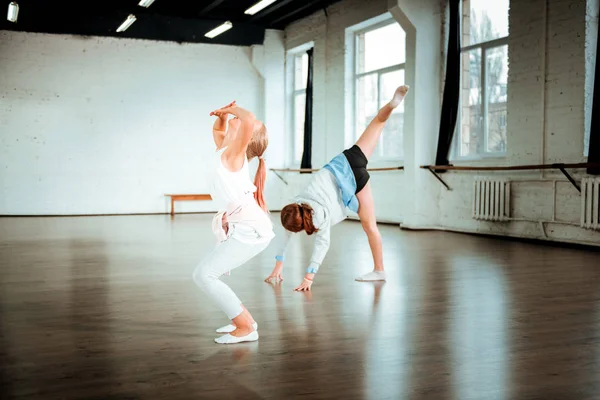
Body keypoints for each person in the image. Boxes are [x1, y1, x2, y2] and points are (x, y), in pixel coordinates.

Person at [265, 85, 409, 291]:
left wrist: (308, 278)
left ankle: (380, 270)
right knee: (378, 122)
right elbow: (287, 232)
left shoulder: (318, 219)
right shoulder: (298, 202)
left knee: (370, 227)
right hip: (347, 161)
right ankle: (392, 105)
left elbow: (321, 246)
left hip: (356, 182)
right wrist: (279, 263)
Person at [193, 100, 274, 344]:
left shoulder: (234, 156)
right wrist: (223, 118)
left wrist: (230, 111)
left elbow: (247, 118)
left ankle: (246, 326)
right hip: (245, 225)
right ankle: (244, 320)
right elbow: (219, 131)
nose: (239, 120)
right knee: (206, 274)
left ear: (245, 139)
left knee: (204, 275)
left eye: (248, 124)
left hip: (251, 230)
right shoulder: (226, 150)